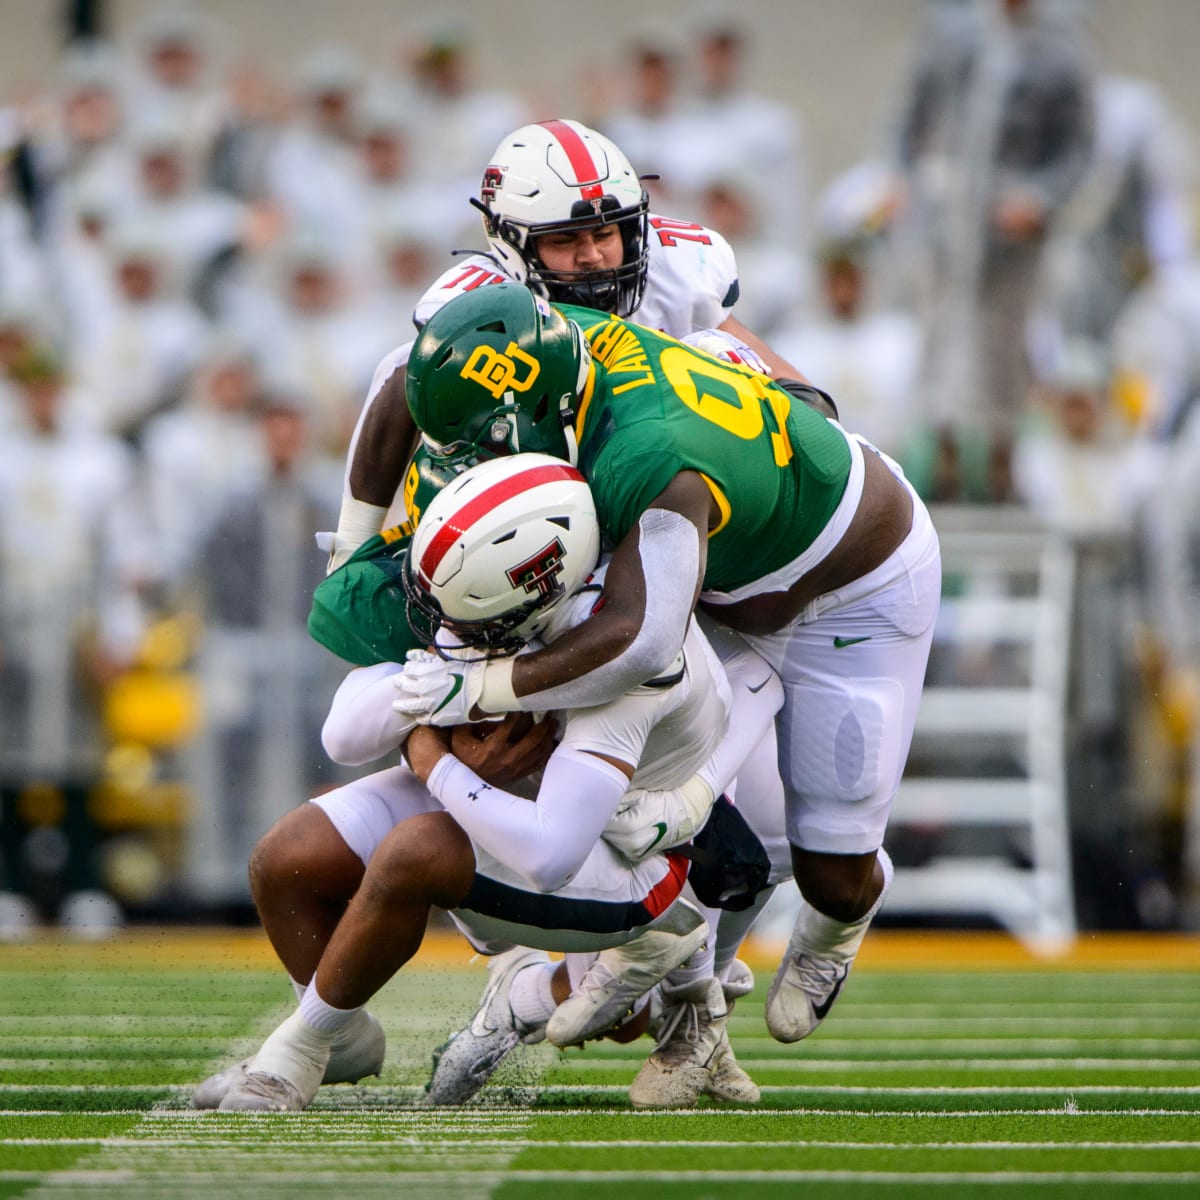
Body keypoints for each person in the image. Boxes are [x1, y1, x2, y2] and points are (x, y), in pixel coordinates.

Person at [394, 283, 941, 1048]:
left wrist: (476, 686)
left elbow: (644, 640)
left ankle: (838, 926)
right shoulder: (550, 339)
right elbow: (407, 391)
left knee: (831, 867)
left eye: (484, 439)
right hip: (724, 575)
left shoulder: (646, 450)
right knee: (643, 795)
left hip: (853, 590)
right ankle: (675, 991)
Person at [210, 453, 780, 1111]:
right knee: (286, 860)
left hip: (633, 858)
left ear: (532, 603)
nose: (446, 630)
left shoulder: (625, 655)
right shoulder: (502, 588)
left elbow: (551, 851)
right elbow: (342, 735)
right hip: (519, 805)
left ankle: (300, 1050)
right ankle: (344, 1038)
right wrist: (441, 699)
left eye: (468, 619)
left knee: (417, 852)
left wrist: (438, 763)